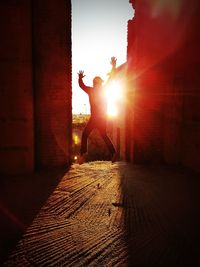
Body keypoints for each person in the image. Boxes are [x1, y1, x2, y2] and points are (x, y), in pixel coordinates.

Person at [77, 57, 117, 164]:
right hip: (102, 117)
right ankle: (113, 153)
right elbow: (111, 79)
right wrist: (113, 66)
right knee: (103, 135)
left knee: (85, 134)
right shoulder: (103, 89)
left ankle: (83, 154)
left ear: (94, 82)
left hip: (96, 118)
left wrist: (80, 77)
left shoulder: (91, 90)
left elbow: (81, 85)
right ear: (99, 83)